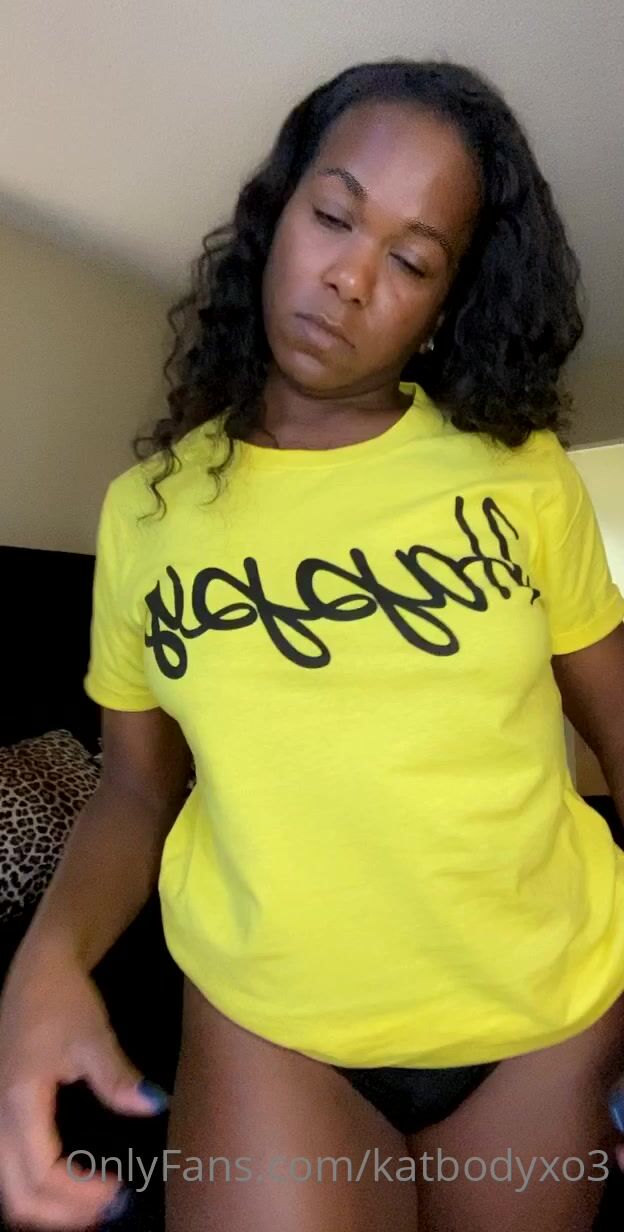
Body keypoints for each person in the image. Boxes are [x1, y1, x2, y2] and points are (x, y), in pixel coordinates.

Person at [0, 56, 623, 1232]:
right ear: (279, 212)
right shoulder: (147, 516)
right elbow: (135, 785)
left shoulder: (521, 474)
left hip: (545, 1007)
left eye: (413, 260)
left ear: (447, 302)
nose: (350, 276)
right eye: (335, 215)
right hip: (272, 1021)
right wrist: (47, 960)